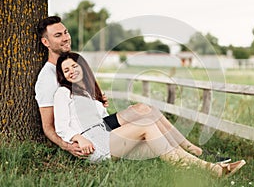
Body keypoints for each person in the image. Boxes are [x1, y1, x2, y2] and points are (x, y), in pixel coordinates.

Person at [54, 51, 246, 177]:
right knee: (146, 124)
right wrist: (78, 138)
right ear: (63, 75)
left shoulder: (87, 92)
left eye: (74, 66)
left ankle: (212, 170)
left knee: (162, 145)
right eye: (66, 70)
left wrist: (100, 105)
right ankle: (201, 156)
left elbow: (101, 120)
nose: (71, 71)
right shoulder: (63, 93)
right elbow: (61, 126)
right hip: (93, 143)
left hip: (104, 135)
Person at [34, 16, 203, 158]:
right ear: (46, 42)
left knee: (144, 109)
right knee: (145, 122)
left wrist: (96, 101)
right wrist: (68, 145)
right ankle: (186, 154)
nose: (65, 38)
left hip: (100, 123)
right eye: (58, 35)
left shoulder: (72, 63)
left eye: (66, 32)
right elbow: (48, 126)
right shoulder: (48, 78)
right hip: (90, 132)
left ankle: (191, 149)